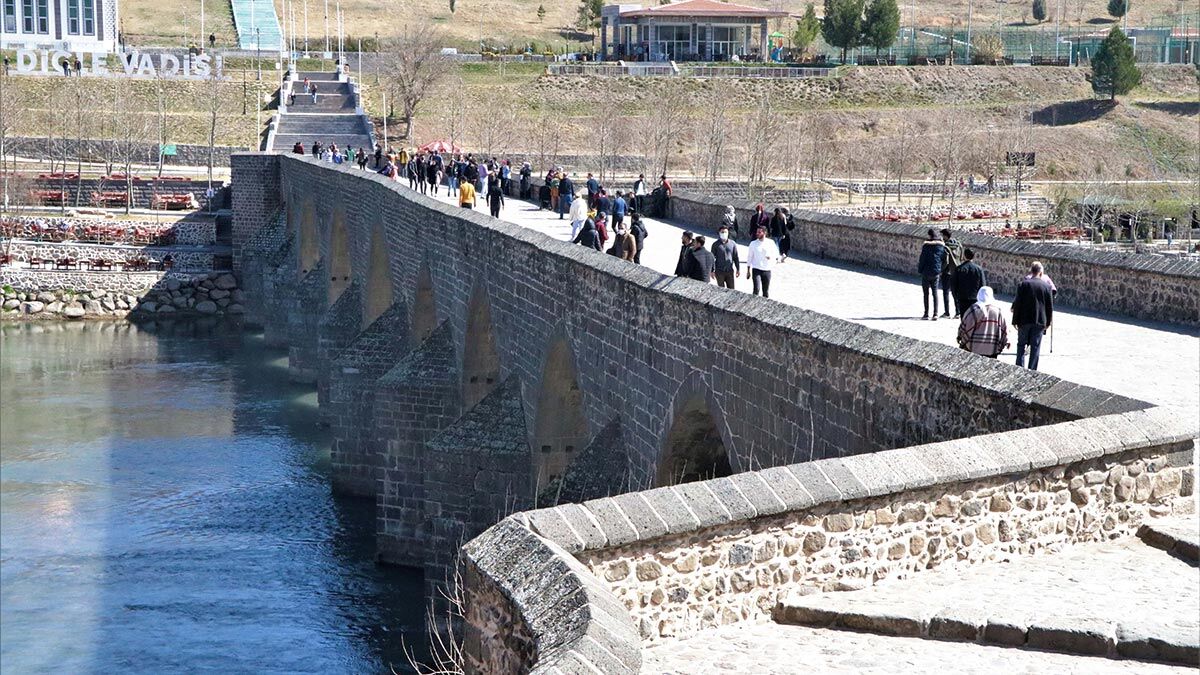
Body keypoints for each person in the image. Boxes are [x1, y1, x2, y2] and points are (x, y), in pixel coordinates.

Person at [1011, 262, 1054, 371]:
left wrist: (1014, 321)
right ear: (1041, 272)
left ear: (1031, 271)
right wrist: (1048, 322)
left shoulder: (1023, 284)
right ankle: (1032, 370)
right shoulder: (1047, 287)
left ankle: (1019, 369)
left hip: (1024, 320)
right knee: (1035, 347)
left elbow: (1018, 304)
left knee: (1021, 345)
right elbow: (1049, 307)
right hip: (1039, 320)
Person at [957, 286, 1008, 358]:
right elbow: (1003, 329)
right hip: (992, 349)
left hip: (973, 348)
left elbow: (964, 327)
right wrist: (1005, 342)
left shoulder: (973, 310)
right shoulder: (998, 311)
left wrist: (960, 337)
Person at [917, 228, 945, 320]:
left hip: (926, 271)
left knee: (926, 293)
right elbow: (943, 259)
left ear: (929, 236)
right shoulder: (941, 246)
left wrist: (920, 270)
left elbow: (922, 259)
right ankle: (935, 313)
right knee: (935, 293)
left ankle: (926, 314)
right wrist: (940, 269)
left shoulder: (926, 246)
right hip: (936, 271)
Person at [746, 226, 779, 298]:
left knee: (765, 291)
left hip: (767, 269)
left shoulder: (770, 243)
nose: (757, 233)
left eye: (759, 232)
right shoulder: (753, 243)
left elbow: (776, 255)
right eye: (757, 232)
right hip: (756, 269)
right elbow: (749, 257)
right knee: (756, 289)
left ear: (764, 233)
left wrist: (770, 257)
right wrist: (748, 270)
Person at [952, 248, 987, 315]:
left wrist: (956, 296)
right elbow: (982, 285)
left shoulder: (959, 269)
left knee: (964, 318)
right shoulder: (978, 269)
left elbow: (954, 285)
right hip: (975, 298)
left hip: (962, 298)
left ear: (964, 256)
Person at [940, 228, 964, 318]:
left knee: (946, 292)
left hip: (947, 271)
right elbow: (962, 257)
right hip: (957, 271)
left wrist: (941, 270)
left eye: (943, 235)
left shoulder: (945, 247)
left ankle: (947, 312)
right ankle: (958, 312)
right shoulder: (959, 245)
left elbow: (946, 261)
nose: (942, 237)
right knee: (956, 293)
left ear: (946, 236)